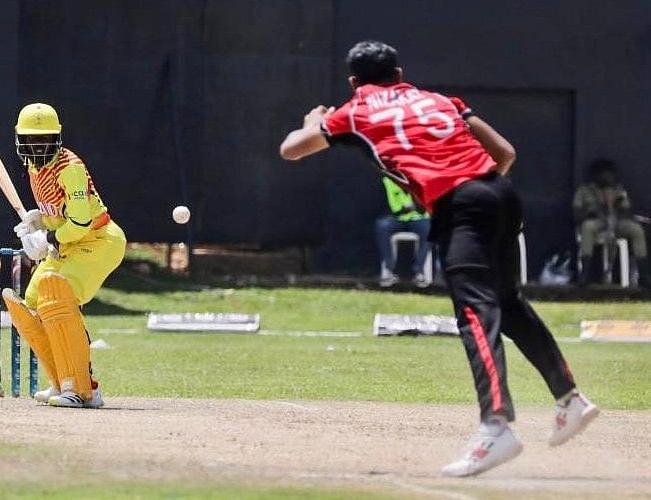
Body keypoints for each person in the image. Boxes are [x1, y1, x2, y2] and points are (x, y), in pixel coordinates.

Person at [279, 40, 599, 477]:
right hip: (500, 193)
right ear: (399, 72)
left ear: (354, 83)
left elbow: (292, 149)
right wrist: (479, 193)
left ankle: (496, 424)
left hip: (461, 205)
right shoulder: (439, 100)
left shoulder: (354, 111)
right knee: (507, 302)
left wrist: (312, 121)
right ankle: (570, 398)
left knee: (475, 312)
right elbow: (505, 153)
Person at [2, 102, 127, 408]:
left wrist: (47, 239)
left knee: (55, 295)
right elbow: (59, 214)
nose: (39, 146)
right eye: (33, 140)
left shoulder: (69, 168)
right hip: (68, 243)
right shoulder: (34, 168)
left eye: (45, 139)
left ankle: (82, 388)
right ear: (22, 141)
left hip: (99, 240)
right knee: (29, 305)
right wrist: (38, 220)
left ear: (56, 139)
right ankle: (61, 381)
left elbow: (82, 222)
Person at [572, 158, 651, 287]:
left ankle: (643, 274)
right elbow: (577, 213)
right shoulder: (584, 190)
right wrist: (596, 209)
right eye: (603, 174)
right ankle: (585, 274)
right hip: (596, 222)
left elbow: (627, 211)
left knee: (636, 229)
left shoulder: (618, 190)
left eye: (609, 174)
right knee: (587, 227)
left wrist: (617, 204)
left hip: (616, 222)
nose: (607, 177)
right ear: (596, 175)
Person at [376, 177, 432, 287]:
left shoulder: (419, 179)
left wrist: (413, 191)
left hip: (418, 219)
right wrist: (405, 208)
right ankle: (388, 270)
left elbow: (423, 209)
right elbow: (390, 208)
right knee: (382, 225)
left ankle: (419, 272)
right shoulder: (389, 181)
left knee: (429, 228)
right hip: (398, 218)